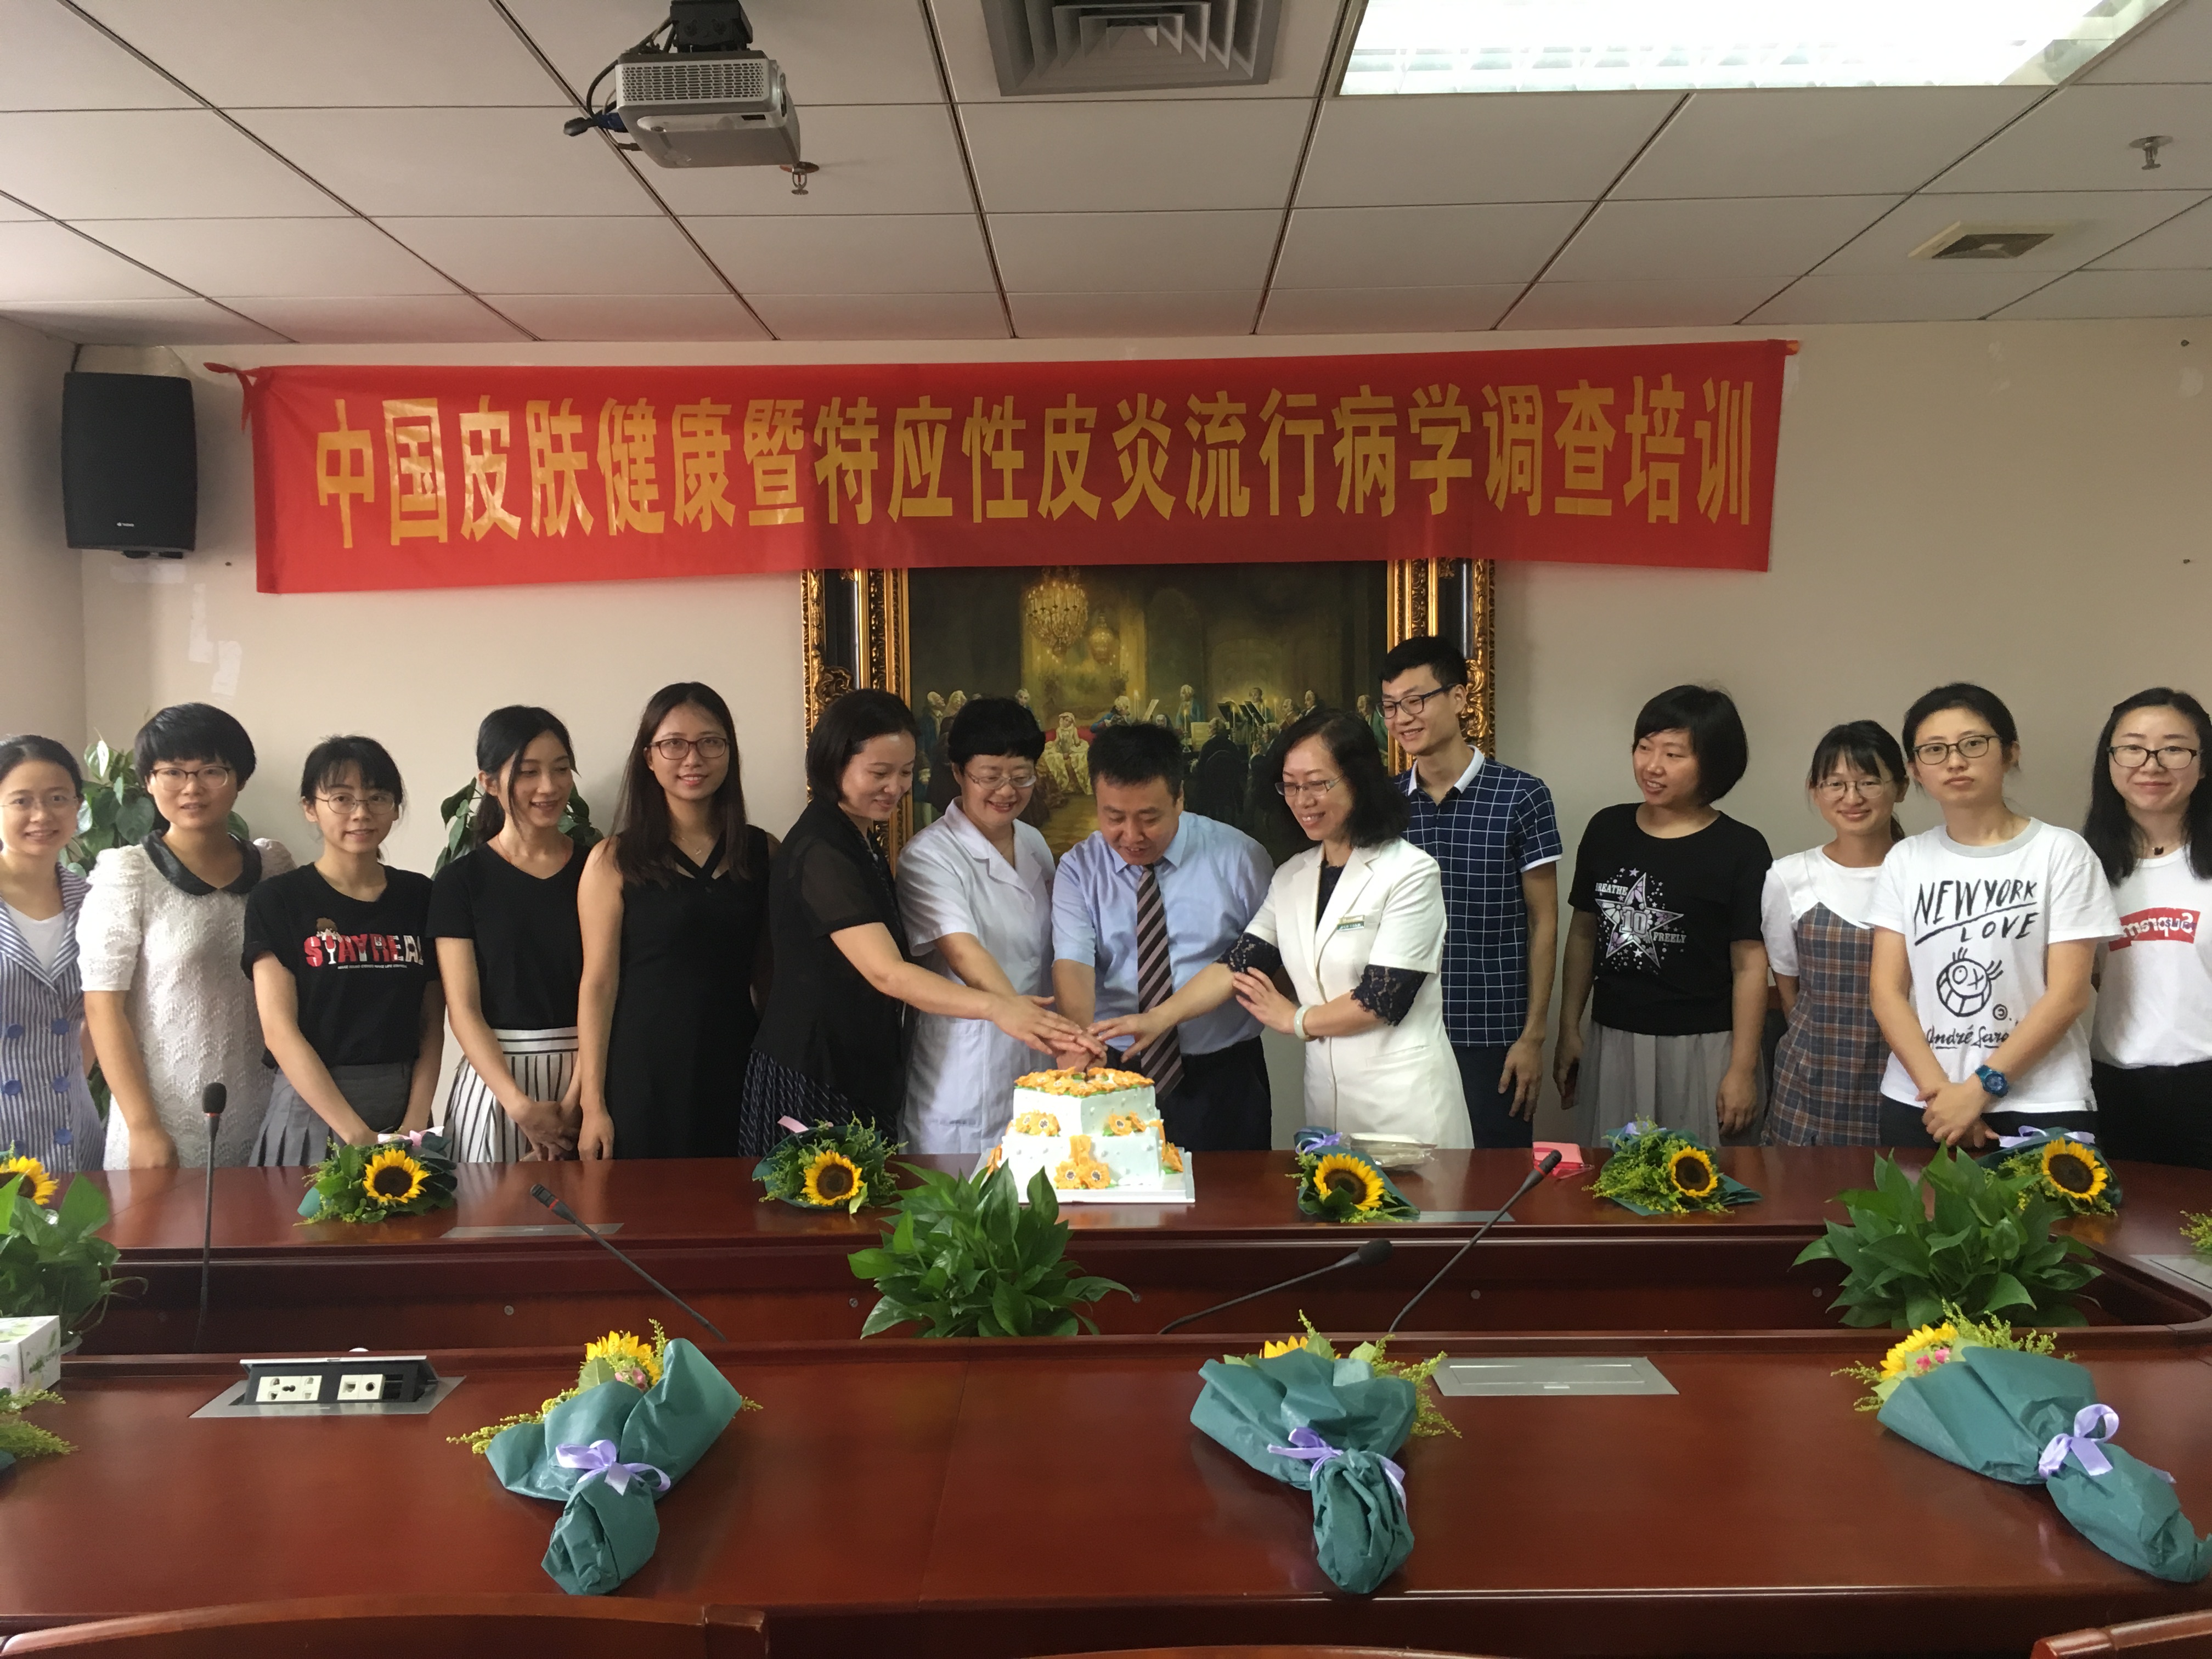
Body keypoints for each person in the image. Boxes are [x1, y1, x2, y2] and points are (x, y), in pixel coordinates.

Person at [1097, 712, 1470, 1148]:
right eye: (1290, 786)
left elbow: (1384, 998)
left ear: (1359, 780)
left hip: (1402, 1099)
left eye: (1317, 784)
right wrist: (1157, 1019)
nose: (1302, 800)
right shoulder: (1294, 876)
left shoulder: (1409, 872)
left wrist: (1294, 1019)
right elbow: (1237, 962)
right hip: (1328, 1099)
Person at [737, 690, 1084, 1153]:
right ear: (834, 763)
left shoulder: (858, 840)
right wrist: (1005, 1009)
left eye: (904, 772)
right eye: (879, 773)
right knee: (823, 1195)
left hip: (865, 1060)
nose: (896, 787)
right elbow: (890, 971)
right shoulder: (823, 849)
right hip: (818, 1067)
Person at [1869, 684, 2119, 1149]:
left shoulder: (2062, 853)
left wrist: (1978, 1091)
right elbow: (1886, 992)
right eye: (1934, 750)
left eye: (1973, 743)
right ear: (1915, 769)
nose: (1955, 761)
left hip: (2041, 1101)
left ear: (2009, 753)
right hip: (1921, 1101)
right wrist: (1943, 1096)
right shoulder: (1905, 860)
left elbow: (2068, 995)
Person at [80, 704, 295, 1167]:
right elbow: (103, 1007)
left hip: (269, 1109)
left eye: (212, 771)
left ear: (240, 779)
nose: (192, 788)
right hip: (164, 1119)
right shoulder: (128, 874)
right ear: (148, 780)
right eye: (173, 772)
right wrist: (143, 1127)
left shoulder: (273, 867)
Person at [1557, 686, 1771, 1145]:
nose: (1652, 766)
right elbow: (1583, 934)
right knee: (1616, 1174)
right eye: (1644, 747)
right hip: (1614, 1041)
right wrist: (1568, 1028)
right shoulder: (1607, 829)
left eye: (1673, 754)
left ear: (1712, 764)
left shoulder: (1741, 848)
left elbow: (1751, 965)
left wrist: (1741, 1069)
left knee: (1698, 1177)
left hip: (1704, 1047)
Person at [1053, 721, 1274, 1151]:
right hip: (1115, 1069)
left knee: (1234, 1191)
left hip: (1223, 1071)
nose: (1131, 836)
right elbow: (1073, 961)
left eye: (1149, 818)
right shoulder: (1080, 868)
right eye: (1114, 817)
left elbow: (1265, 955)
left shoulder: (1239, 857)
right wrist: (1080, 1039)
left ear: (1180, 798)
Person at [1380, 636, 1562, 1148]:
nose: (1402, 718)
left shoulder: (1521, 796)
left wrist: (1533, 1035)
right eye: (1390, 706)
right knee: (1407, 1180)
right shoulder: (1385, 805)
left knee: (1494, 1180)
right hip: (1402, 1031)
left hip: (1493, 1033)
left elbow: (1544, 921)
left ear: (1459, 698)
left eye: (1416, 701)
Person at [576, 684, 771, 1160]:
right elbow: (598, 984)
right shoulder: (614, 860)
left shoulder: (763, 852)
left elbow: (771, 976)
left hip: (739, 1063)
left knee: (739, 1198)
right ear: (648, 756)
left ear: (729, 751)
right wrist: (592, 1104)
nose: (693, 759)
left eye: (710, 742)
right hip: (644, 1072)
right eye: (674, 744)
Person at [900, 697, 1087, 1154]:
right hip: (967, 1069)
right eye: (990, 776)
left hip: (1036, 1060)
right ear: (959, 772)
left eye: (1021, 776)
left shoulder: (1034, 842)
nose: (1007, 791)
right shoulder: (929, 856)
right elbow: (964, 952)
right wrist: (1039, 1025)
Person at [245, 737, 442, 1163]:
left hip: (404, 1104)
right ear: (310, 807)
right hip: (311, 1107)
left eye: (377, 797)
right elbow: (279, 1029)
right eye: (341, 798)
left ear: (396, 807)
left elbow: (431, 1023)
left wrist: (415, 1121)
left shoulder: (419, 896)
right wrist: (355, 1132)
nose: (361, 812)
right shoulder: (279, 900)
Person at [428, 707, 586, 1163]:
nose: (549, 787)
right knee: (490, 1206)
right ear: (489, 782)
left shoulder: (598, 867)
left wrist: (576, 1101)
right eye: (529, 772)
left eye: (561, 769)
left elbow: (608, 989)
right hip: (497, 1084)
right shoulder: (460, 882)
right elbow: (463, 1008)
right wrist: (519, 1106)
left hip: (588, 1076)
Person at [1761, 721, 1909, 1147]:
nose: (1852, 797)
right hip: (1812, 1080)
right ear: (1816, 790)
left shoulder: (1926, 872)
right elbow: (1790, 989)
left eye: (1869, 782)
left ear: (1900, 787)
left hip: (1907, 1076)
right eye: (1836, 784)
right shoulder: (1790, 876)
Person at [2084, 687, 2212, 1165]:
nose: (2151, 765)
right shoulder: (2082, 865)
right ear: (2110, 761)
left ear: (2203, 763)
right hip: (2116, 1084)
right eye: (2133, 748)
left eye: (2174, 749)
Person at [0, 737, 102, 1171]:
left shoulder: (95, 902)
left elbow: (103, 1010)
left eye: (58, 798)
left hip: (71, 1127)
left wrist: (71, 1073)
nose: (42, 815)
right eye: (22, 801)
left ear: (78, 805)